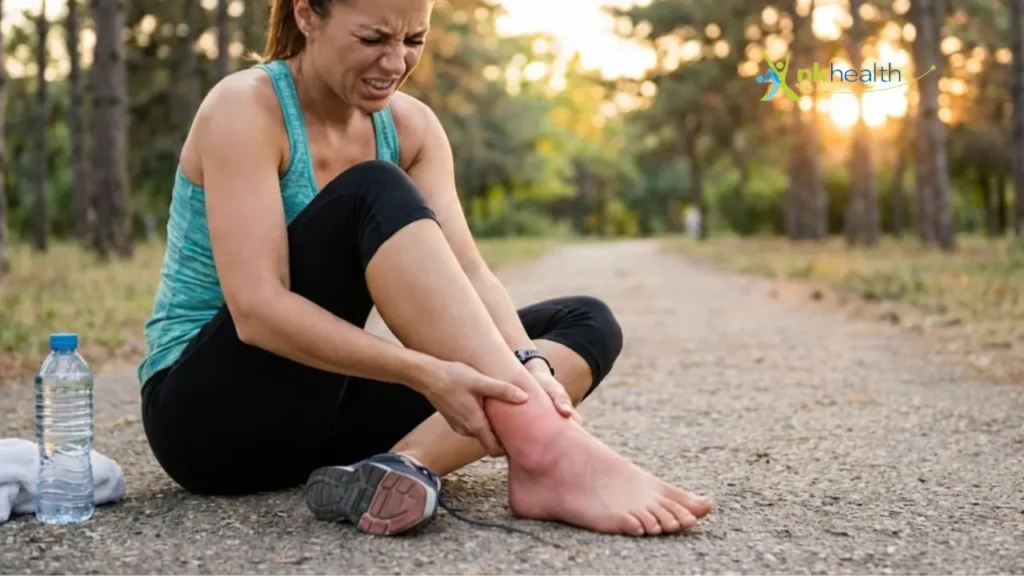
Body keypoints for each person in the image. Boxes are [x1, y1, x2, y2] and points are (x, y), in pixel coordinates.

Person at [138, 0, 713, 538]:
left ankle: (400, 469)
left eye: (414, 39)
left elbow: (467, 269)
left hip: (321, 424)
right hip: (208, 422)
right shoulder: (245, 107)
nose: (396, 62)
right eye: (372, 38)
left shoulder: (412, 128)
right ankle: (549, 450)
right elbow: (257, 312)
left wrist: (529, 366)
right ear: (308, 13)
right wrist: (426, 373)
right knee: (372, 187)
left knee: (584, 322)